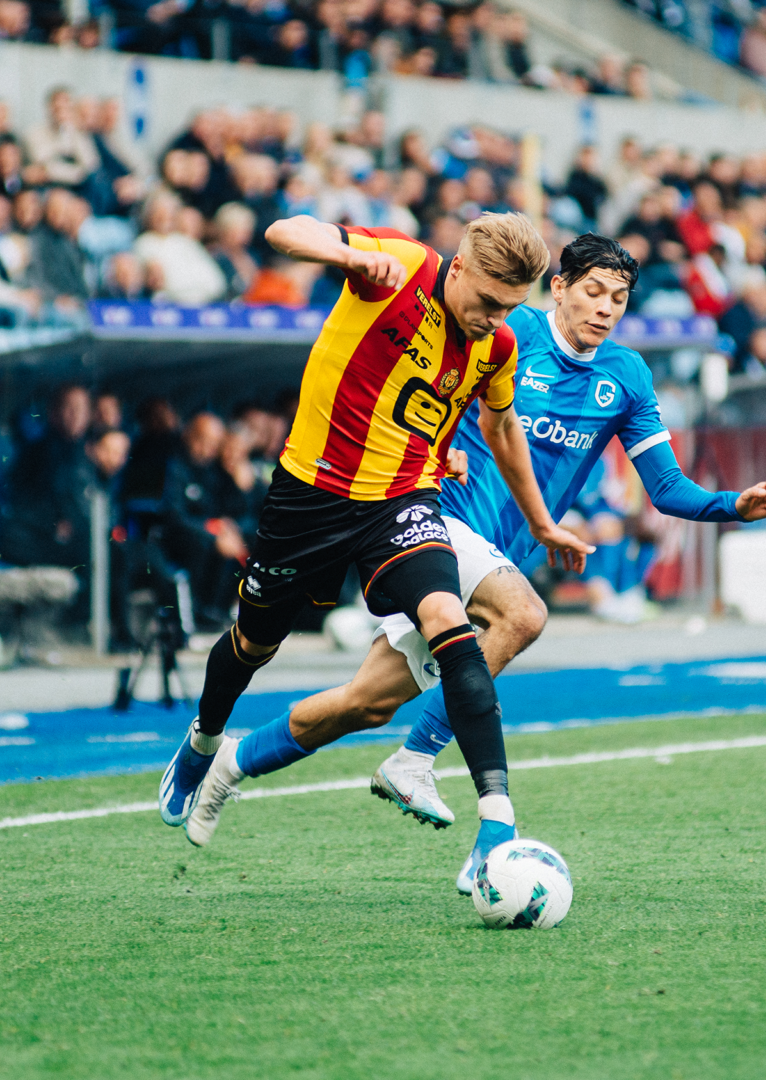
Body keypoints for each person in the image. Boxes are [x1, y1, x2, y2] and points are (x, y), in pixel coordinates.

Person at [169, 235, 766, 894]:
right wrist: (439, 451)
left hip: (497, 551)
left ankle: (232, 764)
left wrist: (732, 505)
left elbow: (665, 489)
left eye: (619, 298)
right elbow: (426, 390)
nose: (605, 308)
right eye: (592, 292)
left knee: (364, 705)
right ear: (558, 288)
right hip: (433, 520)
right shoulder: (501, 323)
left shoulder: (627, 378)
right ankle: (439, 781)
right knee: (523, 616)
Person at [157, 213, 595, 893]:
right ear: (457, 268)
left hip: (402, 503)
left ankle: (496, 822)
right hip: (309, 498)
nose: (492, 319)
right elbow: (282, 231)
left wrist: (540, 523)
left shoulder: (500, 345)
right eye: (485, 302)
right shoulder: (403, 268)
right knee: (254, 642)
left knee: (452, 624)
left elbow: (501, 424)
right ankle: (203, 744)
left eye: (509, 307)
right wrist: (341, 253)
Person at [160, 412, 250, 629]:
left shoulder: (214, 472)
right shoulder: (174, 467)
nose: (207, 448)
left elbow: (232, 511)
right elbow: (173, 515)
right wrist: (212, 534)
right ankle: (200, 610)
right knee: (206, 545)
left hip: (212, 532)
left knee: (242, 542)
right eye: (202, 439)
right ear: (189, 436)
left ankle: (220, 609)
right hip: (178, 536)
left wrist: (241, 488)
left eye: (214, 443)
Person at [1, 385, 96, 568]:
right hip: (38, 541)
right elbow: (21, 502)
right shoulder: (37, 453)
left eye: (81, 409)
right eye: (69, 407)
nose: (75, 415)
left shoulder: (86, 455)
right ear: (53, 412)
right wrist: (53, 524)